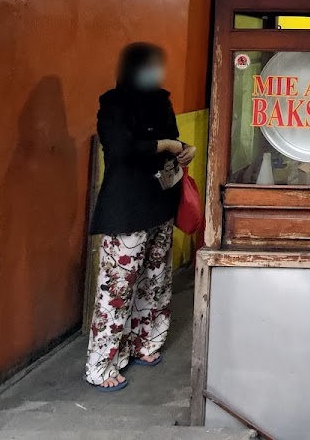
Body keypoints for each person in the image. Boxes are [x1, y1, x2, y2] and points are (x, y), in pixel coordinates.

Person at [84, 43, 195, 391]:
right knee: (117, 287)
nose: (155, 73)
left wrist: (181, 150)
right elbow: (119, 149)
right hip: (126, 209)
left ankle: (145, 343)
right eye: (148, 67)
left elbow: (173, 140)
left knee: (155, 279)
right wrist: (164, 145)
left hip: (159, 202)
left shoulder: (161, 99)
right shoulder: (113, 104)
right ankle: (101, 365)